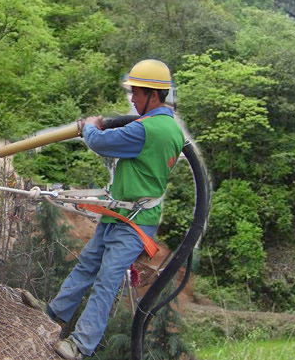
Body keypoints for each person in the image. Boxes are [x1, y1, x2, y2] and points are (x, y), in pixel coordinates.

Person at [22, 59, 185, 359]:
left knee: (106, 282)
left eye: (136, 93)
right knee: (87, 265)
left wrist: (89, 127)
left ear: (153, 94)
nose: (132, 99)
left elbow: (102, 143)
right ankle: (54, 315)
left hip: (133, 223)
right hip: (120, 215)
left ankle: (80, 345)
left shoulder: (148, 130)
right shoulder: (169, 128)